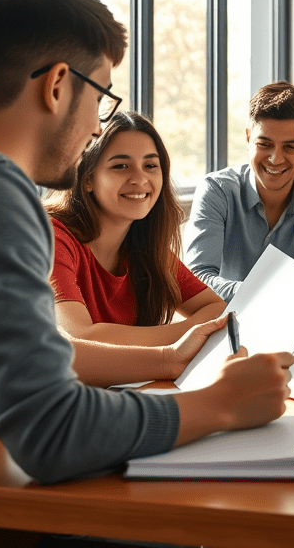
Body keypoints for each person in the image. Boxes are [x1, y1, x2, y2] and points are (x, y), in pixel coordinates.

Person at [0, 0, 291, 491]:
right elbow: (53, 432)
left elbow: (28, 352)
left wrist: (166, 355)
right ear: (59, 84)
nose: (95, 128)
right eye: (102, 98)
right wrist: (220, 404)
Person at [46, 111, 228, 387]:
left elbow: (216, 309)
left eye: (151, 166)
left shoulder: (145, 245)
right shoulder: (53, 237)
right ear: (87, 179)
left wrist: (181, 340)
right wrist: (180, 340)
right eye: (121, 166)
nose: (140, 179)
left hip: (119, 394)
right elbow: (83, 337)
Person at [185, 81, 294, 301]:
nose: (275, 159)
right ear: (249, 138)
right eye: (264, 144)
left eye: (290, 147)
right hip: (224, 327)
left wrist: (257, 291)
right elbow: (197, 279)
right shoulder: (216, 191)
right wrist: (274, 288)